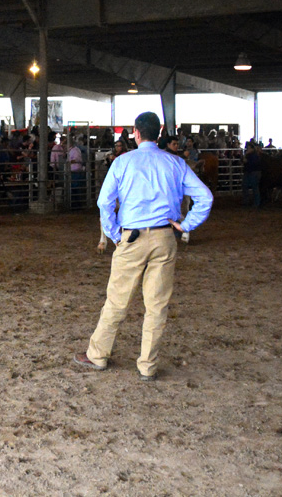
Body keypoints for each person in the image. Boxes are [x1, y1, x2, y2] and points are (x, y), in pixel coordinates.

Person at [74, 111, 212, 381]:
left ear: (135, 133)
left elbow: (104, 203)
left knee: (116, 300)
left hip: (131, 238)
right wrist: (186, 225)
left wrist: (114, 234)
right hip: (164, 237)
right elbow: (205, 197)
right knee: (157, 305)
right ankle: (147, 365)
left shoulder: (123, 162)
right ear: (159, 133)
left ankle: (98, 355)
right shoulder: (175, 163)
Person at [242, 141, 262, 207]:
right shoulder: (255, 155)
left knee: (253, 187)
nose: (247, 149)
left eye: (249, 148)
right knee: (254, 187)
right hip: (252, 172)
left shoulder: (253, 155)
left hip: (252, 172)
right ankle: (254, 202)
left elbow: (246, 162)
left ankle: (252, 202)